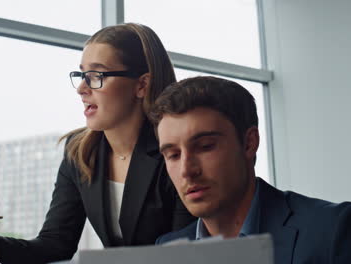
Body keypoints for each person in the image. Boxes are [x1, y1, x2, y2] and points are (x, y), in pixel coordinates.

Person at [0, 23, 195, 264]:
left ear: (142, 85)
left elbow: (185, 250)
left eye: (96, 75)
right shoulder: (80, 151)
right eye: (82, 75)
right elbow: (55, 244)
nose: (82, 88)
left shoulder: (176, 152)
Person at [149, 76, 351, 264]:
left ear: (249, 143)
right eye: (173, 155)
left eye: (205, 147)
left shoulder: (333, 229)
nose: (186, 170)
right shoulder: (168, 250)